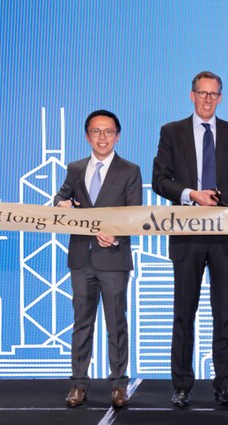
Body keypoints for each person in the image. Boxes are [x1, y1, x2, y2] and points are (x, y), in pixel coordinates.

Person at [152, 71, 228, 408]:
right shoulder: (171, 132)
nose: (208, 100)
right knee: (184, 313)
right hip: (187, 235)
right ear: (192, 95)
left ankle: (224, 385)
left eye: (213, 94)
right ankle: (182, 386)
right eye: (202, 93)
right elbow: (159, 179)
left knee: (224, 315)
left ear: (220, 98)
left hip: (226, 236)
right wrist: (190, 194)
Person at [54, 109, 143, 408]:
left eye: (108, 132)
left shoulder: (130, 170)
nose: (102, 137)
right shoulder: (75, 168)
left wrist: (116, 236)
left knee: (117, 324)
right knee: (82, 324)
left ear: (117, 136)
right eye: (96, 131)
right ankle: (78, 385)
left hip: (114, 258)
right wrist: (61, 204)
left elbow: (135, 214)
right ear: (87, 136)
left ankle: (118, 385)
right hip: (81, 258)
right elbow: (60, 198)